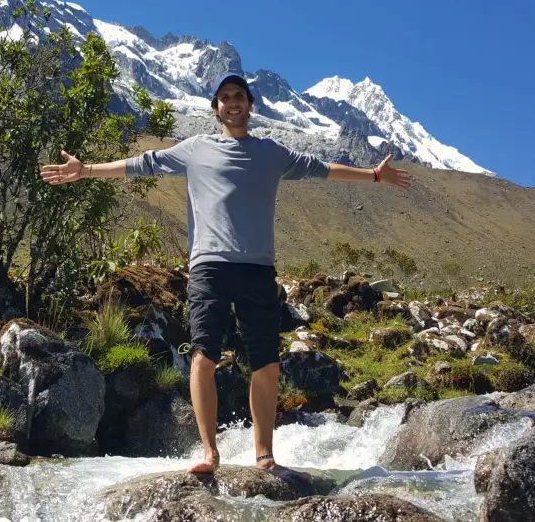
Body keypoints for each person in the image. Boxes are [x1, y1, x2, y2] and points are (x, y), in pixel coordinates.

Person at [40, 71, 411, 476]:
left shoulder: (272, 153)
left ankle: (264, 455)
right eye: (225, 97)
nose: (232, 103)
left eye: (239, 96)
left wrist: (375, 175)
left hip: (257, 269)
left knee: (266, 362)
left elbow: (321, 169)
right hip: (208, 267)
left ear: (250, 104)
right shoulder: (195, 149)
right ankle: (210, 452)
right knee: (203, 356)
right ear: (216, 108)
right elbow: (143, 164)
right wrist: (86, 170)